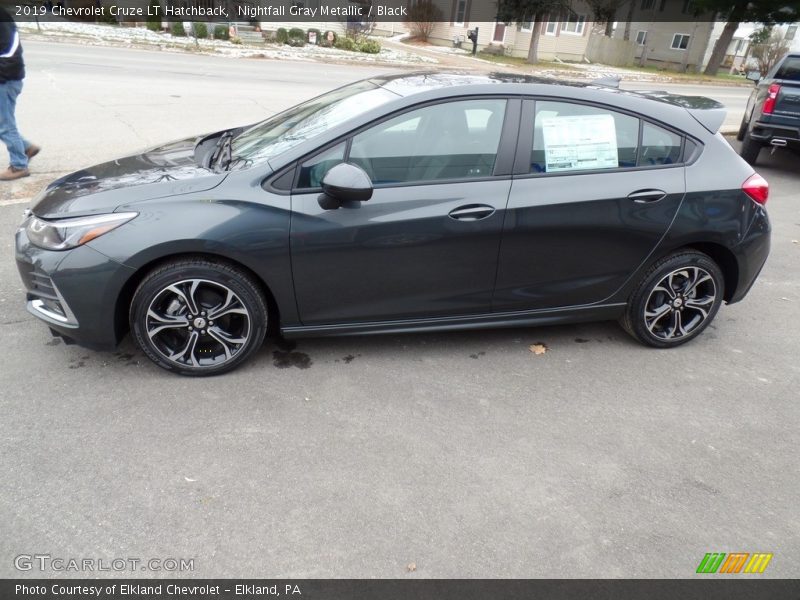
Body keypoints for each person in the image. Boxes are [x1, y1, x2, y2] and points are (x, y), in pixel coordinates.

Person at [0, 7, 40, 181]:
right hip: (7, 77)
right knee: (3, 123)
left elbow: (9, 49)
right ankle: (26, 148)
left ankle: (19, 166)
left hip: (5, 79)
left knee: (4, 125)